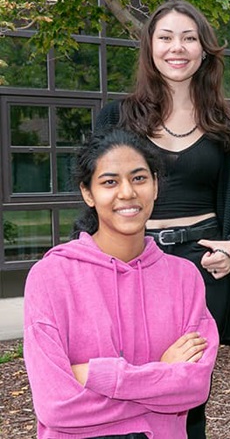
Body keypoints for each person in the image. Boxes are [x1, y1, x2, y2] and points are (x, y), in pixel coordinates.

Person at [95, 0, 230, 437]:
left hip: (202, 270)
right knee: (129, 385)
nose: (176, 47)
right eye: (165, 37)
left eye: (188, 37)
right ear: (150, 48)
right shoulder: (116, 117)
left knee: (189, 398)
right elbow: (95, 199)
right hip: (132, 265)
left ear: (204, 49)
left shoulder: (229, 122)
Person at [23, 129, 218, 439]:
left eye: (139, 178)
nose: (127, 192)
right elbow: (56, 405)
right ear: (88, 193)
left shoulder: (184, 278)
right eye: (109, 182)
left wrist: (99, 375)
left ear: (155, 185)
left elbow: (194, 388)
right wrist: (162, 376)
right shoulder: (51, 277)